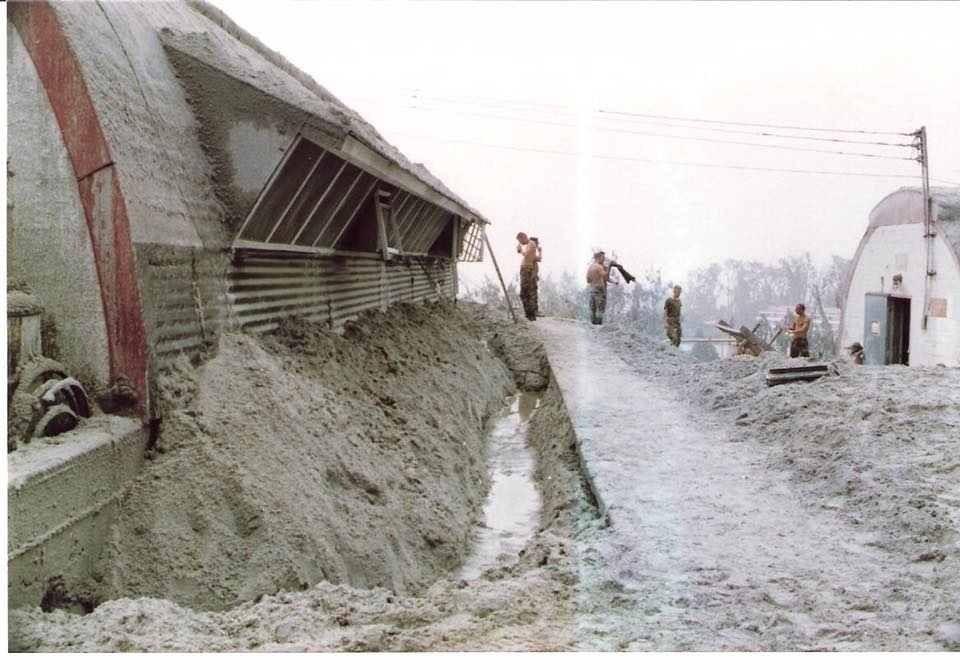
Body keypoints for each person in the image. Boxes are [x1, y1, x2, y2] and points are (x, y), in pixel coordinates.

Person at [586, 251, 615, 325]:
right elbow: (605, 276)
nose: (604, 259)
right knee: (600, 309)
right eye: (603, 257)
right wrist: (609, 267)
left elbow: (588, 280)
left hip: (592, 289)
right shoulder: (599, 267)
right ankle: (598, 327)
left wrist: (613, 281)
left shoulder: (590, 267)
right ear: (599, 257)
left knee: (593, 309)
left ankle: (592, 327)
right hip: (599, 290)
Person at [516, 232, 539, 321]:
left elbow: (527, 255)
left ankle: (530, 314)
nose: (520, 242)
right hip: (526, 269)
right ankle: (529, 314)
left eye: (520, 240)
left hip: (527, 269)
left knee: (526, 292)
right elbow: (536, 257)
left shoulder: (531, 243)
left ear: (523, 237)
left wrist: (521, 250)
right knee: (526, 292)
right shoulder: (530, 245)